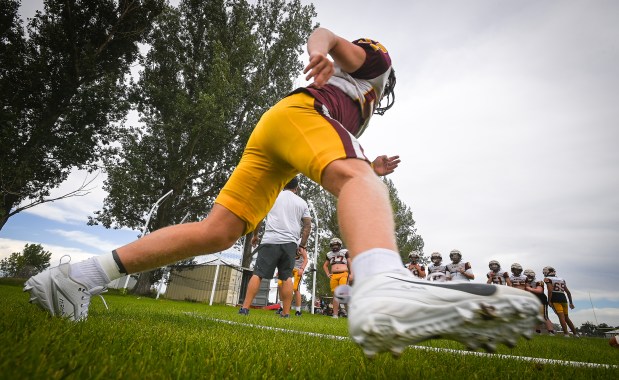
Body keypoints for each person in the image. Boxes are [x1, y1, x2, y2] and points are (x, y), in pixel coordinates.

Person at [24, 27, 540, 357]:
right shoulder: (375, 64)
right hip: (296, 114)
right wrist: (320, 55)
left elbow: (338, 160)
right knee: (353, 176)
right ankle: (385, 285)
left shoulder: (347, 105)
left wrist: (367, 168)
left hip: (275, 132)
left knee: (216, 231)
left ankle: (77, 277)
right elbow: (327, 34)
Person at [239, 176, 311, 317]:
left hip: (270, 241)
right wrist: (301, 245)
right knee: (286, 277)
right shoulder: (302, 203)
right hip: (290, 243)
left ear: (283, 184)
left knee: (258, 274)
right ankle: (285, 313)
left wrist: (255, 235)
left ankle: (245, 309)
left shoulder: (273, 197)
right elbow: (307, 225)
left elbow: (259, 217)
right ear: (296, 188)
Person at [275, 240, 308, 316]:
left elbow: (306, 259)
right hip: (289, 268)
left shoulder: (301, 248)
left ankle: (298, 310)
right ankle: (282, 306)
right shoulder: (289, 246)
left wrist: (302, 269)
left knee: (296, 288)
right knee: (280, 284)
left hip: (298, 269)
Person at [543, 266, 577, 337]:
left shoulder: (547, 279)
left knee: (561, 317)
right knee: (566, 317)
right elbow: (568, 292)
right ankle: (575, 334)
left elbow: (550, 290)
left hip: (555, 298)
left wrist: (549, 301)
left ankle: (566, 334)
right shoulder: (561, 279)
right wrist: (571, 302)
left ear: (546, 272)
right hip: (563, 298)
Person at [323, 237, 352, 318]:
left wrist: (351, 273)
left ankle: (350, 313)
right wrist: (328, 274)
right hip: (334, 275)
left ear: (339, 245)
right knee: (335, 295)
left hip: (343, 274)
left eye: (336, 245)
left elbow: (350, 263)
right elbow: (325, 265)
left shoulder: (345, 252)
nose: (334, 246)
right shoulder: (329, 254)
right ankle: (335, 315)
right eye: (333, 245)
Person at [523, 269, 555, 335]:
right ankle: (537, 332)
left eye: (530, 276)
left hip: (541, 299)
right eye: (527, 276)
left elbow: (539, 291)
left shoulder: (538, 281)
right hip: (532, 299)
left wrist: (529, 288)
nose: (529, 278)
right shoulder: (525, 281)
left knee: (544, 317)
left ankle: (551, 332)